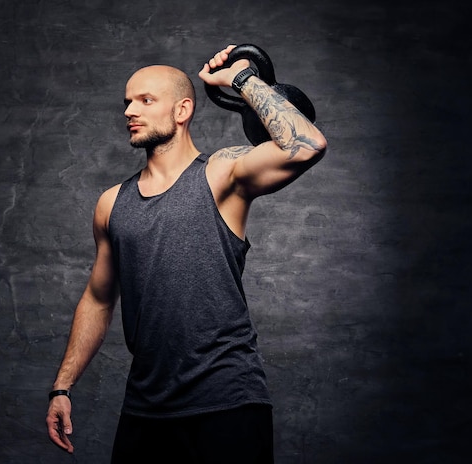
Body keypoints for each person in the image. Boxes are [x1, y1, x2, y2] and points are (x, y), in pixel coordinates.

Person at [46, 44, 327, 463]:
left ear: (182, 110)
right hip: (145, 408)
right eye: (127, 102)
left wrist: (242, 79)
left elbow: (306, 145)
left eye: (145, 100)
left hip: (227, 403)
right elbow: (99, 298)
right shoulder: (111, 203)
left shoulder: (221, 174)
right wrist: (62, 386)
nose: (129, 111)